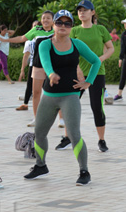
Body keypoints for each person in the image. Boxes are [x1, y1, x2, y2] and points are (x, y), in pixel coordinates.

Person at [23, 10, 101, 186]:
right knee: (40, 133)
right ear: (54, 25)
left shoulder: (77, 44)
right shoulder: (45, 44)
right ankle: (40, 166)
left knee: (74, 134)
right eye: (60, 23)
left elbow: (96, 61)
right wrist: (50, 74)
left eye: (67, 23)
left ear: (71, 26)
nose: (63, 26)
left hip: (70, 96)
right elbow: (45, 62)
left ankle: (84, 171)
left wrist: (88, 82)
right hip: (49, 97)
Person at [56, 0, 114, 152]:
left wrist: (99, 60)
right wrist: (77, 68)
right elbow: (69, 50)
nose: (82, 12)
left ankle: (101, 140)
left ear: (92, 12)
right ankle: (67, 138)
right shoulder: (74, 30)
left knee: (97, 107)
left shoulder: (100, 29)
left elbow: (111, 48)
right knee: (70, 106)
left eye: (85, 10)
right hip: (76, 74)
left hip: (97, 74)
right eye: (80, 10)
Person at [1, 11, 55, 125]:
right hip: (38, 65)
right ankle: (37, 118)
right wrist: (6, 40)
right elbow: (21, 38)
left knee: (55, 92)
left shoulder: (57, 31)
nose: (45, 20)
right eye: (43, 18)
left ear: (53, 20)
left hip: (53, 66)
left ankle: (61, 119)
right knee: (36, 92)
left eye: (48, 18)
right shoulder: (36, 30)